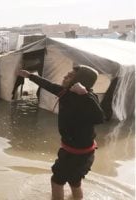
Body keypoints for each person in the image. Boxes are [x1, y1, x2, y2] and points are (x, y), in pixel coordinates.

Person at [17, 65, 104, 200]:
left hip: (77, 153)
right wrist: (30, 76)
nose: (65, 76)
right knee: (74, 181)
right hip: (79, 151)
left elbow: (100, 118)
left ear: (80, 81)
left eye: (70, 76)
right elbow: (49, 85)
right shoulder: (65, 93)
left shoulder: (88, 98)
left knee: (57, 181)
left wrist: (84, 94)